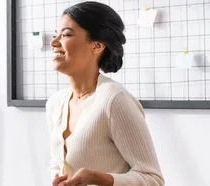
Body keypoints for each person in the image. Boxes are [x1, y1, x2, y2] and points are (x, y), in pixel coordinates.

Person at [46, 2, 164, 186]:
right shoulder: (55, 103)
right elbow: (58, 165)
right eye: (55, 35)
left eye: (66, 34)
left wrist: (97, 178)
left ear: (97, 46)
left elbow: (153, 179)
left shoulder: (114, 100)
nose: (53, 43)